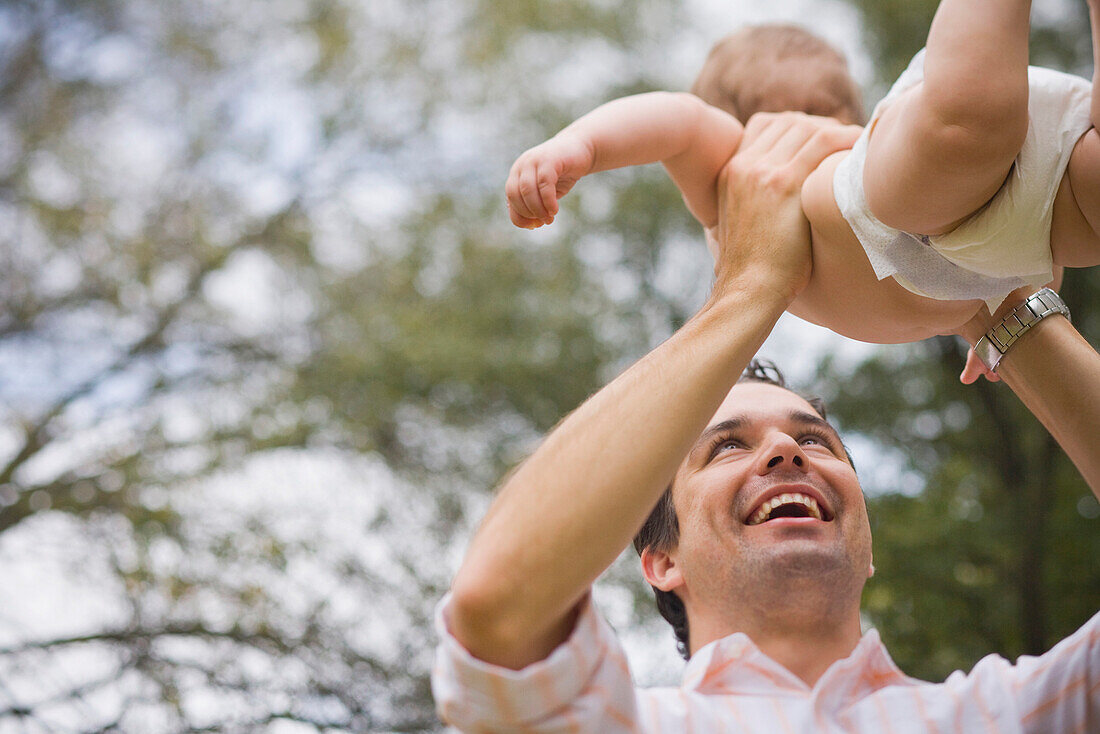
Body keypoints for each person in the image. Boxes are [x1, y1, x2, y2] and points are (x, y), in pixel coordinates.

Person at [433, 112, 1100, 731]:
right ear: (661, 561)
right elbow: (499, 609)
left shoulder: (1008, 715)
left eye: (816, 439)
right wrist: (749, 286)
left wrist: (992, 294)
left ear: (869, 544)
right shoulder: (627, 721)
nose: (786, 450)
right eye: (725, 448)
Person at [504, 1, 1100, 361]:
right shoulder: (734, 176)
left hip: (940, 172)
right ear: (736, 122)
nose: (818, 130)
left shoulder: (867, 169)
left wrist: (575, 147)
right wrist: (1004, 321)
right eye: (789, 110)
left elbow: (677, 121)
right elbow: (679, 120)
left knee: (966, 133)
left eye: (834, 111)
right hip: (1018, 234)